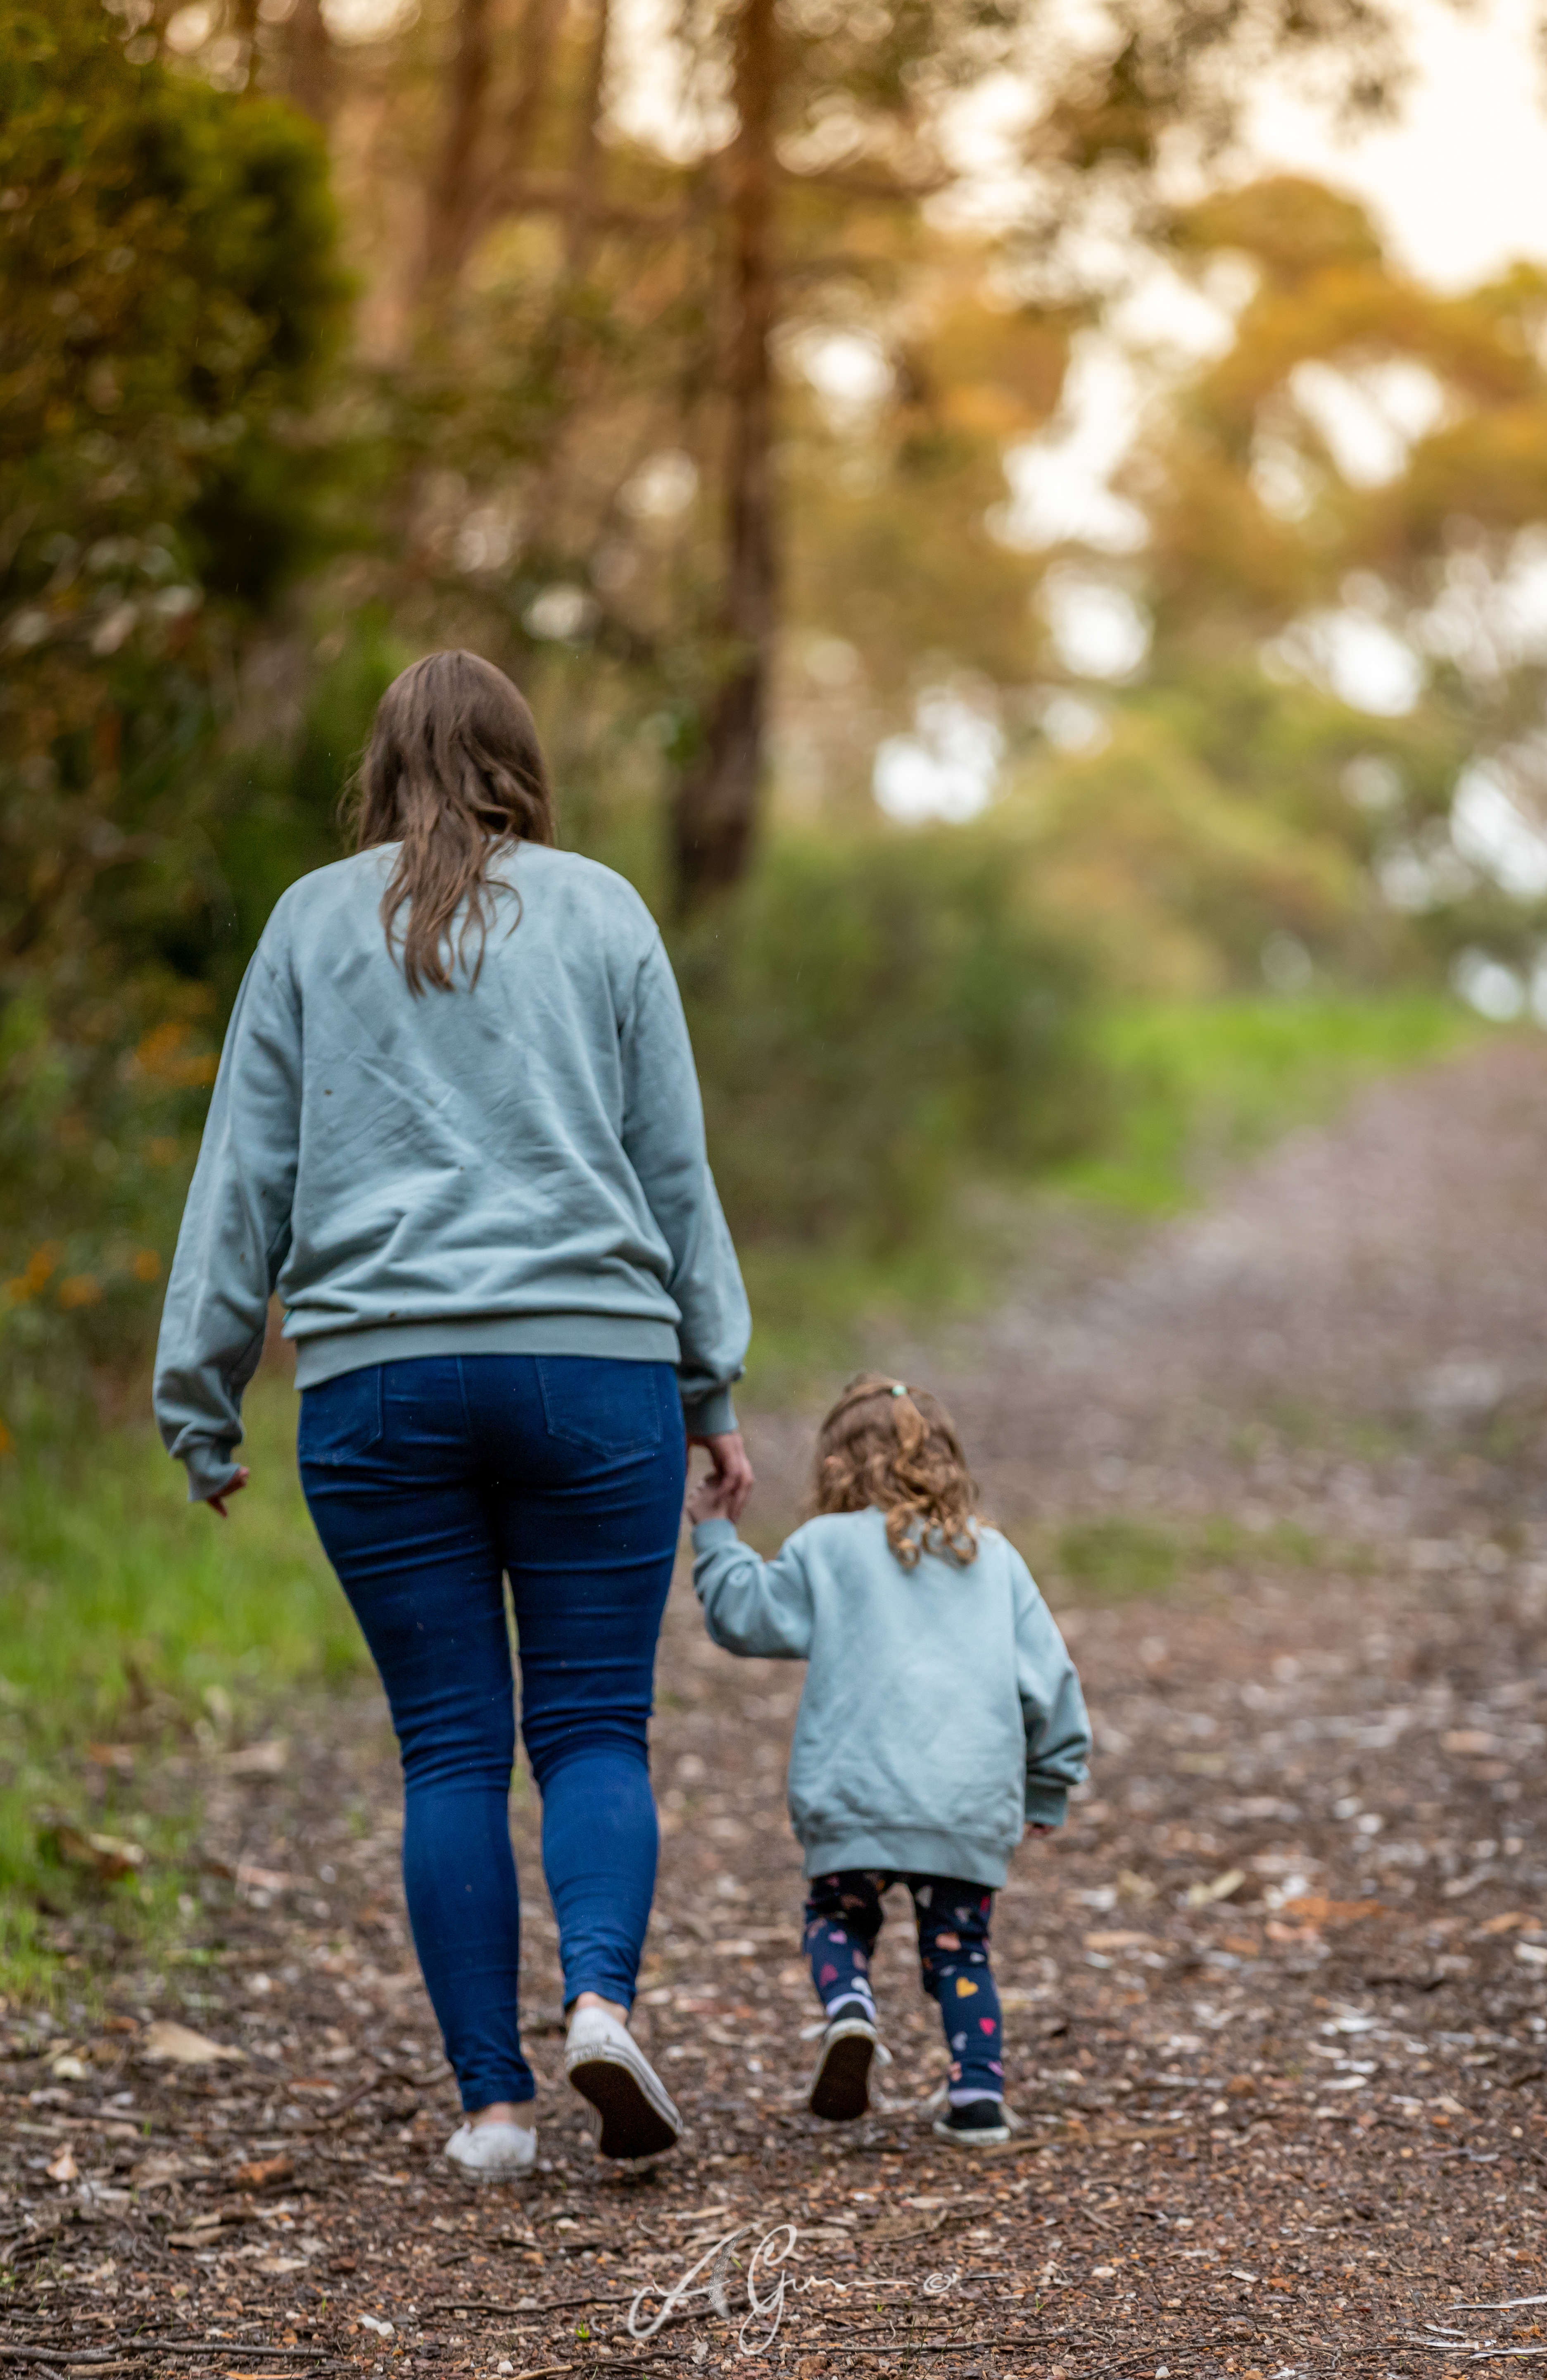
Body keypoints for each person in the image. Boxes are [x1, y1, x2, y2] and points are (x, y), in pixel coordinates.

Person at [154, 650, 753, 2177]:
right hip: (593, 1372)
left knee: (448, 1751)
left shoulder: (306, 922)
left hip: (377, 1386)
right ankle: (603, 2004)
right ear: (520, 762)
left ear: (383, 766)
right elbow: (671, 1171)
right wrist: (713, 1385)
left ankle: (492, 2107)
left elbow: (244, 1179)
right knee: (596, 1730)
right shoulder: (605, 909)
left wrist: (201, 1397)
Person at [687, 1371, 1088, 2147]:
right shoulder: (993, 1556)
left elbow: (744, 1618)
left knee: (837, 1917)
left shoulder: (826, 1549)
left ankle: (851, 2012)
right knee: (961, 1950)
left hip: (855, 1796)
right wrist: (1048, 1783)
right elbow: (1051, 1679)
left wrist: (714, 1535)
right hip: (965, 1803)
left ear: (835, 1465)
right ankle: (978, 2097)